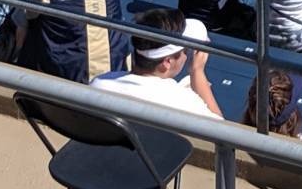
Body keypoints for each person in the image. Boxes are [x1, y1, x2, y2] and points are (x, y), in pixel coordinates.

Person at [91, 8, 222, 119]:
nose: (185, 56)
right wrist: (197, 71)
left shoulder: (99, 83)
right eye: (185, 51)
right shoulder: (181, 100)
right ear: (167, 62)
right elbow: (222, 135)